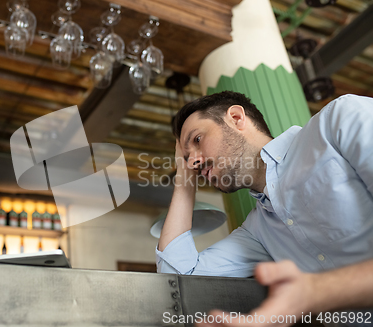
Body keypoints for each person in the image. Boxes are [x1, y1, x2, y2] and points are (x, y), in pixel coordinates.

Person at [155, 91, 373, 326]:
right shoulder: (258, 232)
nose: (193, 162)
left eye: (197, 140)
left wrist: (313, 292)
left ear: (236, 118)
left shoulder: (338, 120)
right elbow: (179, 280)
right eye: (187, 158)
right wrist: (184, 178)